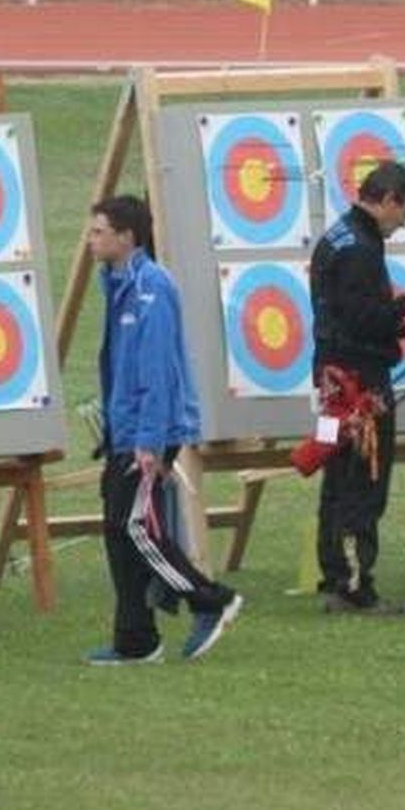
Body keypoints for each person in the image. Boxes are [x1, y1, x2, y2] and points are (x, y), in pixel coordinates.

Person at [84, 194, 241, 664]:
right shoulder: (116, 283)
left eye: (98, 231)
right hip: (127, 427)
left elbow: (157, 370)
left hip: (150, 430)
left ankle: (210, 599)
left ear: (127, 237)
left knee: (134, 527)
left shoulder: (152, 287)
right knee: (117, 528)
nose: (90, 240)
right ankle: (136, 638)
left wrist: (149, 441)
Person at [309, 161, 405, 613]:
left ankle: (333, 577)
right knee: (364, 478)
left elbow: (352, 315)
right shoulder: (361, 248)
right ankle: (355, 588)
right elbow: (364, 319)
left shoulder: (339, 235)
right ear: (386, 200)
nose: (404, 222)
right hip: (360, 384)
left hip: (333, 379)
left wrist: (403, 324)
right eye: (404, 210)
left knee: (337, 476)